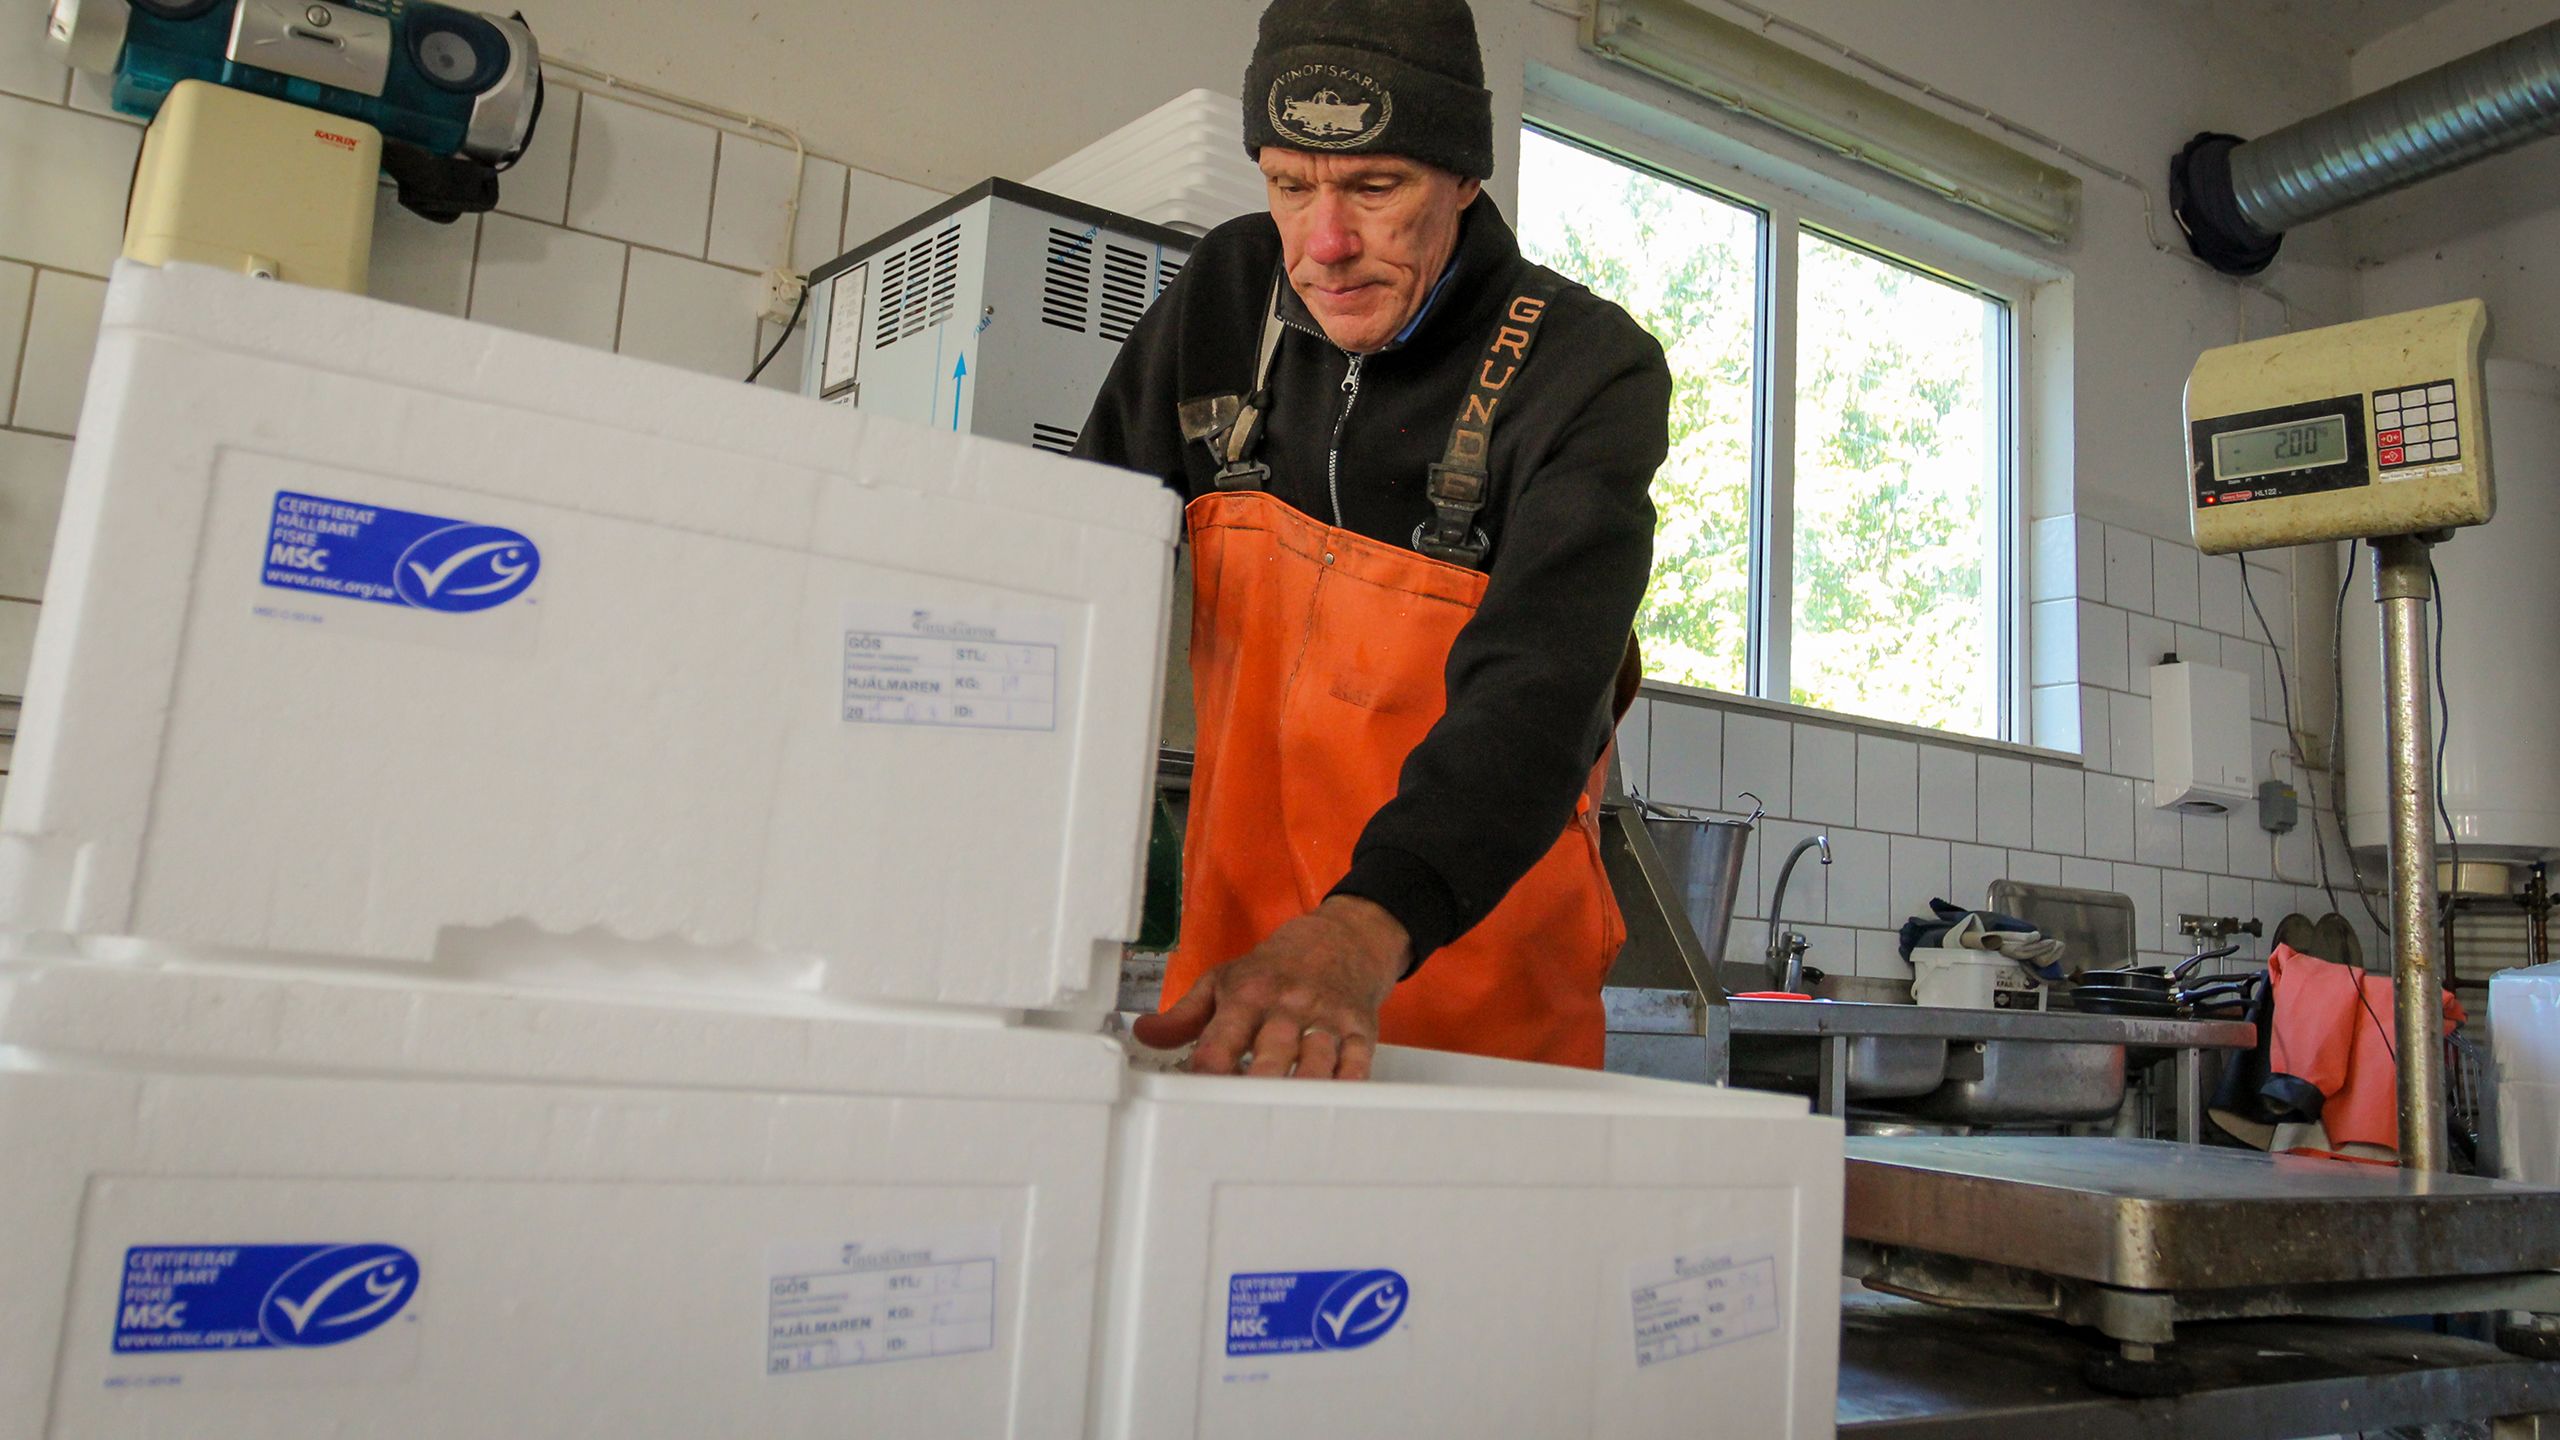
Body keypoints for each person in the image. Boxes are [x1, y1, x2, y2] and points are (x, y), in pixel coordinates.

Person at [1075, 0, 1671, 1080]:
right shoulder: (1224, 299)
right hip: (1239, 987)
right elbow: (1071, 562)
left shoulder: (1587, 371)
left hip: (1477, 1007)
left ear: (1465, 176)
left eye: (1375, 188)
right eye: (1288, 186)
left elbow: (1539, 692)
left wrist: (1360, 931)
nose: (1324, 245)